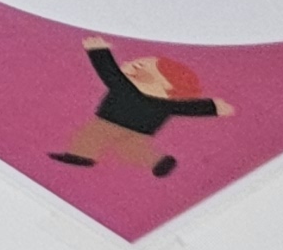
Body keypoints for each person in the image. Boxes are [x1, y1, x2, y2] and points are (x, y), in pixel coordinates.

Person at [49, 40, 230, 178]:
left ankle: (82, 155)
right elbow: (188, 107)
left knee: (98, 138)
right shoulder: (144, 94)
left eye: (142, 67)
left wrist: (98, 50)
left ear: (168, 86)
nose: (133, 65)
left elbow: (109, 71)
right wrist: (213, 107)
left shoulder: (127, 87)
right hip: (135, 130)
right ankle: (155, 161)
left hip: (108, 123)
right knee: (131, 149)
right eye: (135, 64)